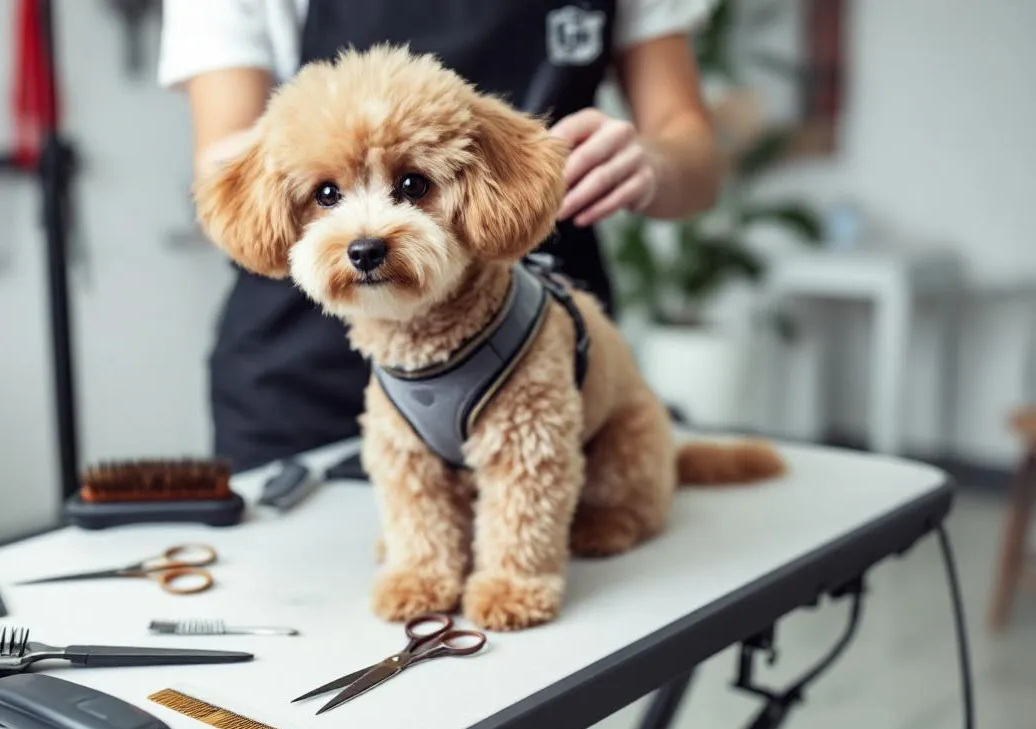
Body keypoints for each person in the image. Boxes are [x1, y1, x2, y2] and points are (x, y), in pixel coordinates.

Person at [158, 1, 722, 478]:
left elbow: (691, 143)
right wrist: (303, 165)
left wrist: (655, 165)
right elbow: (221, 154)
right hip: (301, 375)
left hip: (533, 339)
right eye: (330, 193)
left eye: (411, 186)